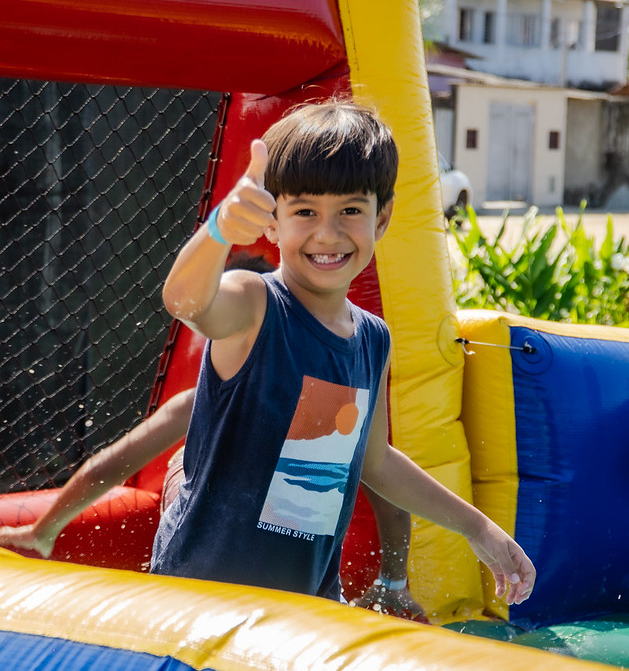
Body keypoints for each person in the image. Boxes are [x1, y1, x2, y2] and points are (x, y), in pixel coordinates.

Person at [153, 98, 536, 605]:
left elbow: (374, 460)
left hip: (305, 601)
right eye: (305, 211)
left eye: (350, 210)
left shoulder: (372, 338)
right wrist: (220, 229)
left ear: (383, 217)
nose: (327, 233)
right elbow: (185, 302)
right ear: (273, 221)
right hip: (203, 594)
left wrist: (477, 528)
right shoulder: (256, 306)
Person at [0, 251, 426, 618]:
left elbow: (379, 472)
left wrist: (393, 580)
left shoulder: (326, 393)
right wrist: (394, 578)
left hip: (260, 568)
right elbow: (114, 464)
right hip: (213, 553)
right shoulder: (303, 397)